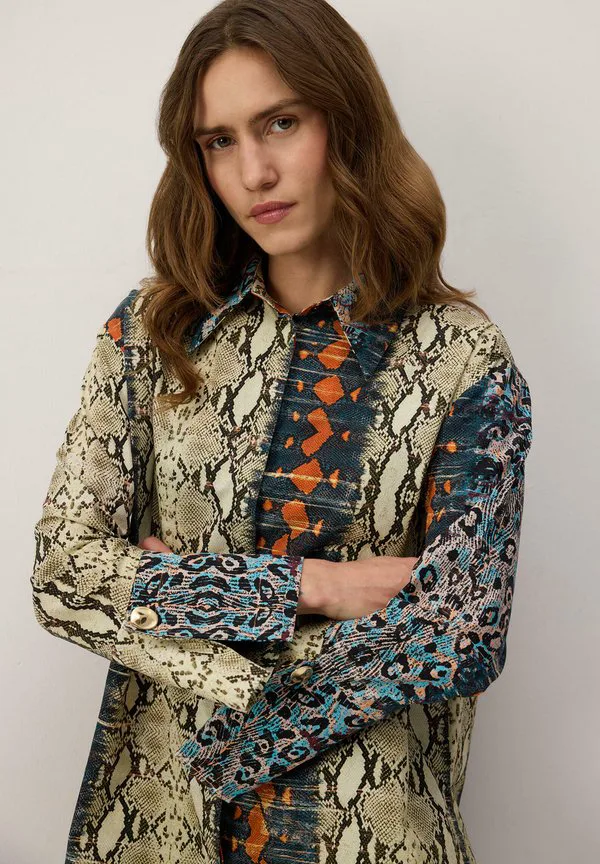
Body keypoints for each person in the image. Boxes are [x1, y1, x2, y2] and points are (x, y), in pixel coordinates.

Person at [31, 1, 533, 862]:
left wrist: (173, 596)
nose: (254, 172)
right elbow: (63, 576)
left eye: (281, 123)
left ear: (348, 120)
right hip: (157, 830)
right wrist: (319, 589)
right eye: (218, 141)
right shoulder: (151, 332)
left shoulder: (461, 357)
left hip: (367, 830)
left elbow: (459, 631)